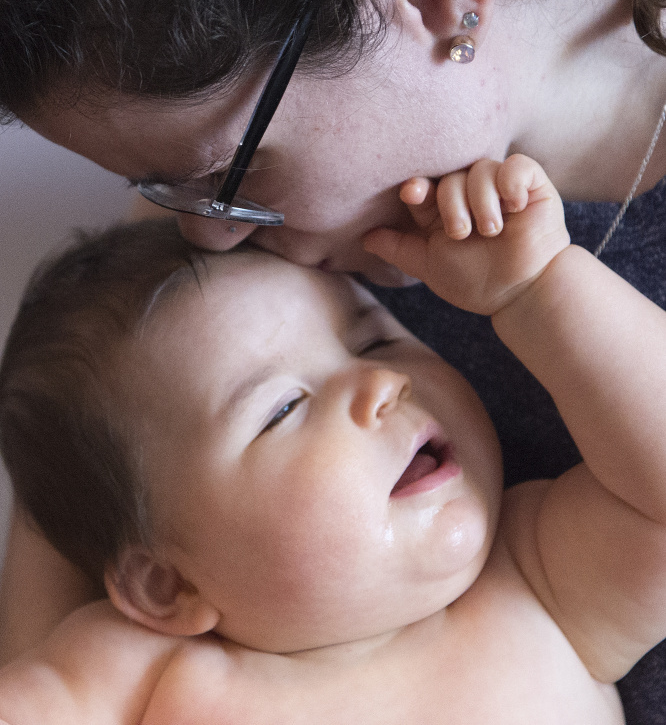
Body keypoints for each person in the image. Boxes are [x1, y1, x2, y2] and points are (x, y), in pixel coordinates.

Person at [1, 0, 666, 720]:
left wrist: (540, 297)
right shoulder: (268, 252)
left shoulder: (536, 579)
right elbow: (100, 468)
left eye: (225, 180)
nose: (208, 237)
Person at [1, 154, 666, 723]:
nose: (380, 383)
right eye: (283, 408)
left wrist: (537, 288)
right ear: (165, 584)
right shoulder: (132, 669)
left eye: (375, 340)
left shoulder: (538, 581)